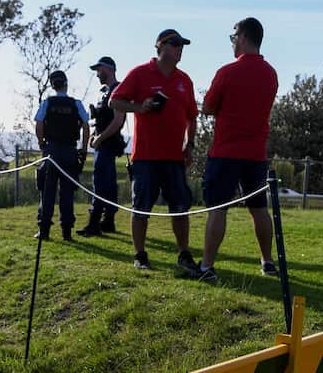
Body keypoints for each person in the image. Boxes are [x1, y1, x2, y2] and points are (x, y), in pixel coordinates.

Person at [109, 29, 198, 274]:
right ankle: (140, 255)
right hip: (146, 158)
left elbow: (192, 117)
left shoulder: (185, 80)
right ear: (160, 46)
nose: (180, 49)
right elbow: (114, 101)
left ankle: (184, 254)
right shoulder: (139, 74)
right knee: (141, 208)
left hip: (174, 159)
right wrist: (140, 107)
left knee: (180, 208)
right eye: (176, 44)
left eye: (183, 45)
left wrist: (189, 145)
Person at [198, 17, 279, 281]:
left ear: (243, 38)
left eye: (233, 37)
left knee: (217, 210)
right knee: (259, 210)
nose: (232, 43)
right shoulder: (271, 74)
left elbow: (208, 107)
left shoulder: (227, 72)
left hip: (225, 152)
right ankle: (267, 262)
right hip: (256, 154)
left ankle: (207, 265)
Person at [34, 69, 91, 241]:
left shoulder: (48, 103)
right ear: (66, 84)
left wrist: (42, 142)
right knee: (67, 193)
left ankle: (44, 231)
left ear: (53, 85)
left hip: (51, 151)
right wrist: (84, 148)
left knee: (47, 191)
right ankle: (66, 232)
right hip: (70, 151)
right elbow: (86, 125)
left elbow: (39, 123)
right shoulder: (76, 104)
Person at [79, 56, 126, 238]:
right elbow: (100, 120)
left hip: (107, 144)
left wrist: (100, 138)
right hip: (102, 143)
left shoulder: (118, 90)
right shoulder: (104, 92)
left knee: (100, 182)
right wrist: (93, 135)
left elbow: (118, 120)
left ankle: (94, 223)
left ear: (109, 69)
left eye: (100, 70)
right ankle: (108, 221)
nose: (98, 74)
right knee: (108, 183)